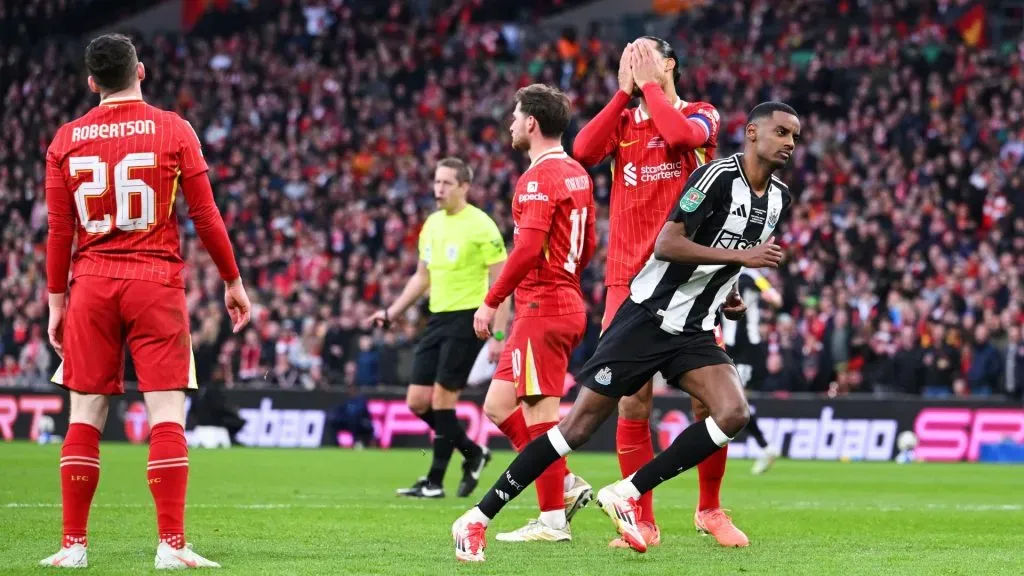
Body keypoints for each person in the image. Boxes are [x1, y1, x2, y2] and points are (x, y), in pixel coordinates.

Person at [452, 102, 799, 561]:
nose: (790, 143)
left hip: (694, 327)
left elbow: (728, 247)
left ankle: (629, 491)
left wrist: (728, 290)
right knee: (576, 427)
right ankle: (476, 519)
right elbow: (668, 242)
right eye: (781, 132)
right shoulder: (715, 177)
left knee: (733, 412)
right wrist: (742, 260)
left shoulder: (779, 199)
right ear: (752, 133)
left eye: (794, 136)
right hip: (647, 316)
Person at [42, 34, 250, 569]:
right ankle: (171, 547)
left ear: (92, 83)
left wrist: (55, 301)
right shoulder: (174, 129)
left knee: (85, 414)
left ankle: (72, 547)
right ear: (142, 71)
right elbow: (205, 217)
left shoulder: (66, 139)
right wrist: (232, 280)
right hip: (155, 281)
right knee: (166, 413)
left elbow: (59, 231)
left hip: (90, 283)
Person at [572, 35, 743, 548]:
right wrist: (626, 93)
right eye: (625, 55)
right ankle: (640, 520)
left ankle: (710, 509)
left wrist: (648, 86)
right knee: (632, 402)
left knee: (708, 405)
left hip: (687, 282)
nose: (631, 60)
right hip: (626, 279)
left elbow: (681, 139)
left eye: (642, 53)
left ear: (669, 63)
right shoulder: (623, 119)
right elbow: (582, 150)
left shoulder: (701, 112)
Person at [474, 83, 597, 542]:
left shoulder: (537, 179)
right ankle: (561, 482)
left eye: (515, 114)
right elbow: (589, 245)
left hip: (543, 305)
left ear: (531, 123)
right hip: (558, 300)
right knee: (498, 405)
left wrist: (491, 300)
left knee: (539, 413)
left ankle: (551, 520)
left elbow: (525, 249)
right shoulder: (577, 174)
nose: (510, 122)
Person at [365, 157, 508, 498]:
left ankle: (433, 483)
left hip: (469, 318)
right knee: (417, 401)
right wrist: (392, 311)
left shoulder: (482, 226)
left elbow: (502, 284)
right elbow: (421, 276)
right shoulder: (431, 224)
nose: (438, 189)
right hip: (438, 316)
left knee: (443, 399)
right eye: (436, 182)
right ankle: (474, 453)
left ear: (464, 187)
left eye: (446, 183)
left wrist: (499, 335)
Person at [719, 269, 783, 474]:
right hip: (727, 346)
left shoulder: (751, 276)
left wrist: (768, 296)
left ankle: (765, 446)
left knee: (736, 402)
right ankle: (766, 447)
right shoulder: (719, 269)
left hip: (748, 348)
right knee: (727, 402)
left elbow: (776, 299)